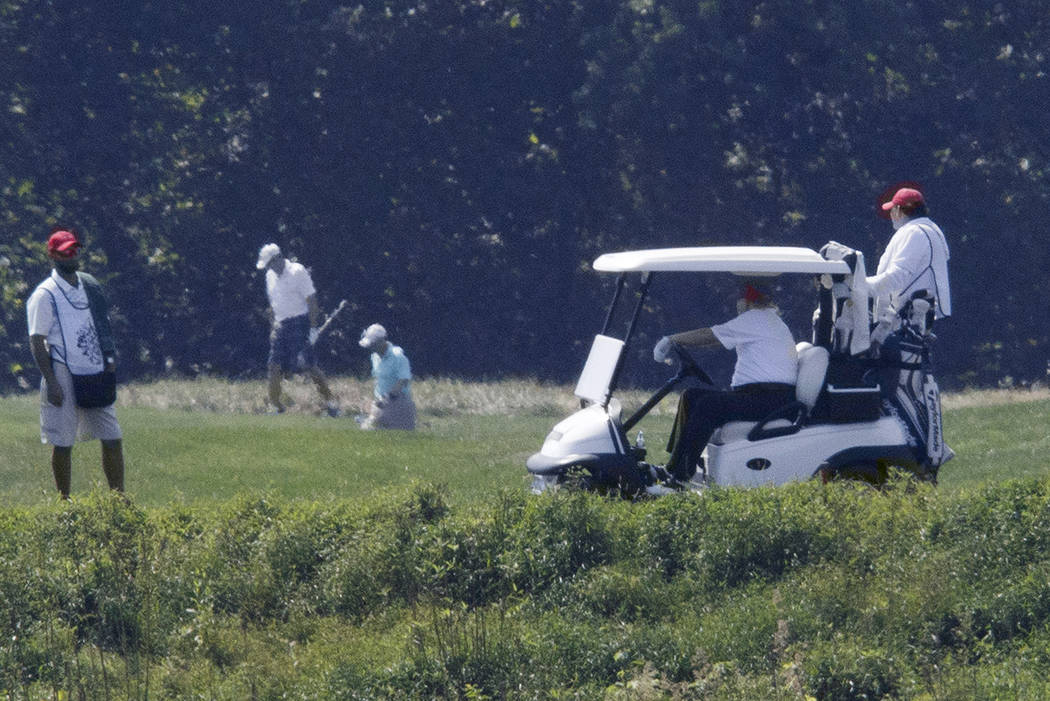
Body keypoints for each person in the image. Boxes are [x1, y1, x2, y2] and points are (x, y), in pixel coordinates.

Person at [654, 282, 798, 481]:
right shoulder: (769, 321)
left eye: (739, 300)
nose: (737, 305)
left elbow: (710, 335)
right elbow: (717, 339)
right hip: (771, 398)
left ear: (746, 301)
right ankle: (676, 465)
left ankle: (678, 475)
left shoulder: (756, 318)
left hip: (770, 399)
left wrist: (671, 339)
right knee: (691, 396)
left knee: (708, 405)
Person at [26, 227, 125, 500]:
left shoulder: (89, 285)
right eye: (66, 251)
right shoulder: (45, 294)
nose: (72, 255)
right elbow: (37, 341)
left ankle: (118, 498)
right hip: (62, 368)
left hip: (93, 368)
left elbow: (102, 323)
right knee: (64, 442)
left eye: (75, 249)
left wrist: (109, 355)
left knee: (112, 436)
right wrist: (52, 381)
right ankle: (64, 501)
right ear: (53, 256)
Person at [257, 243, 339, 416]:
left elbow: (312, 301)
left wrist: (313, 328)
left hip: (300, 322)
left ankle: (331, 403)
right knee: (273, 366)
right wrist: (273, 327)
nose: (269, 268)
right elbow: (274, 305)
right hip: (281, 325)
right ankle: (276, 406)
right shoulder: (270, 277)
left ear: (278, 258)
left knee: (308, 365)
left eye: (270, 264)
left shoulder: (297, 271)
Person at [867, 187, 951, 324]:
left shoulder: (915, 232)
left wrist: (862, 286)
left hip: (907, 319)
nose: (891, 215)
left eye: (892, 210)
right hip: (924, 318)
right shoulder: (931, 230)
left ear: (899, 210)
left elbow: (898, 275)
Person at [357, 323, 416, 430]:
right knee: (367, 429)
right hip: (381, 402)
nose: (371, 348)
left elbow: (403, 380)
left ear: (381, 342)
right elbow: (378, 380)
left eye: (373, 345)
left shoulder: (398, 357)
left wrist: (386, 398)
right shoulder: (374, 357)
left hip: (398, 402)